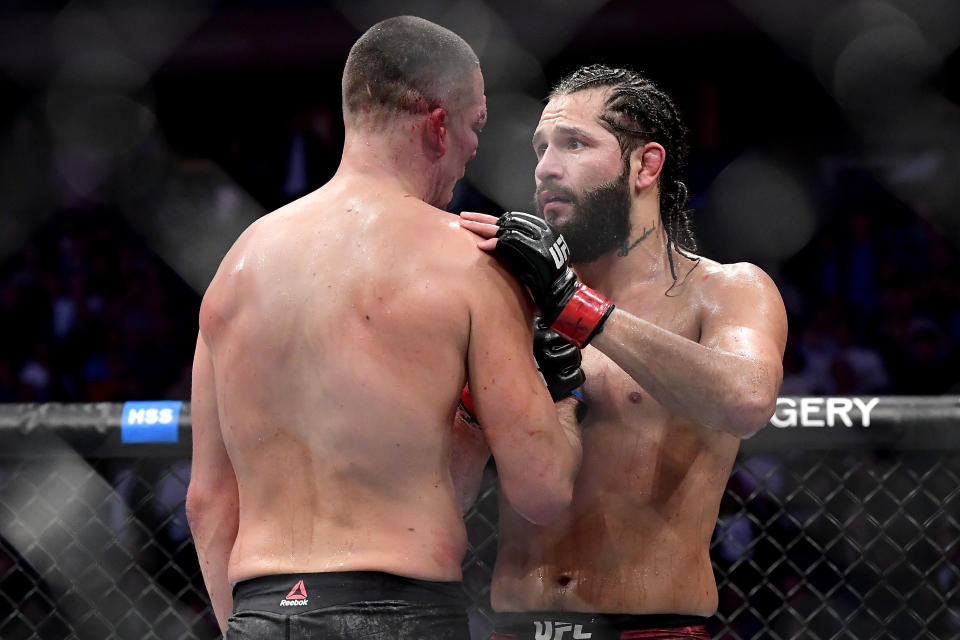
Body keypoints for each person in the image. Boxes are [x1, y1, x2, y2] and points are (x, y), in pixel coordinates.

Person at [186, 16, 583, 640]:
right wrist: (558, 381)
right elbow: (543, 489)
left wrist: (247, 624)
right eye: (476, 125)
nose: (477, 147)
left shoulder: (237, 267)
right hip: (401, 613)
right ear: (439, 123)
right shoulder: (469, 260)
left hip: (261, 609)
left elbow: (208, 502)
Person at [460, 64, 788, 639]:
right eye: (540, 148)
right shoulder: (509, 298)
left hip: (652, 629)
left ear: (645, 164)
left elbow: (745, 398)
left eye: (574, 143)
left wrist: (575, 308)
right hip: (514, 626)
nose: (545, 168)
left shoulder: (723, 291)